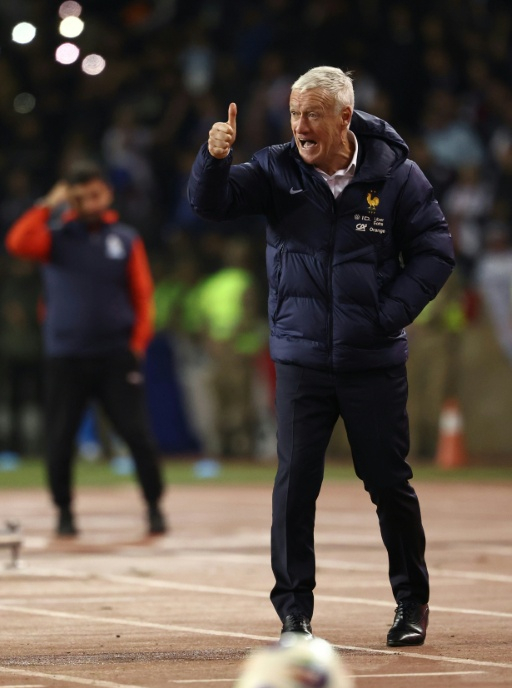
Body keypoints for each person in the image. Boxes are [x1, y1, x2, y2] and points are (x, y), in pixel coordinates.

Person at [188, 66, 455, 647]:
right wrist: (213, 159)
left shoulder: (398, 176)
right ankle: (294, 616)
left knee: (389, 484)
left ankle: (412, 603)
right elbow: (211, 205)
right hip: (302, 359)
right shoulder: (275, 168)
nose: (300, 126)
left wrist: (385, 317)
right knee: (295, 484)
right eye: (293, 114)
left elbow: (435, 252)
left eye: (311, 114)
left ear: (344, 118)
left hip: (373, 361)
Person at [5, 161, 167, 538]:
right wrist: (48, 204)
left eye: (95, 194)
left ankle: (154, 507)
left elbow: (142, 295)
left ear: (107, 193)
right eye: (81, 197)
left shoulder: (125, 239)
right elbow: (17, 243)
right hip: (66, 356)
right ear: (71, 199)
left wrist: (138, 343)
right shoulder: (55, 236)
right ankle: (64, 512)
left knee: (137, 435)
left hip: (115, 355)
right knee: (60, 439)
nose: (90, 202)